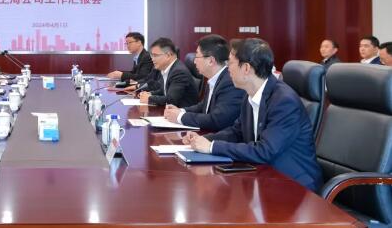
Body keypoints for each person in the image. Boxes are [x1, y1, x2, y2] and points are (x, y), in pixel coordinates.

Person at [183, 38, 322, 192]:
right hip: (264, 176)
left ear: (246, 68)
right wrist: (204, 140)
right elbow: (237, 132)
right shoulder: (250, 94)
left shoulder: (284, 102)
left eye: (230, 63)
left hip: (294, 186)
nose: (227, 69)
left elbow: (265, 150)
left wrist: (212, 147)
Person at [164, 34, 245, 131]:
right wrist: (181, 110)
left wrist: (180, 117)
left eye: (197, 57)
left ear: (211, 61)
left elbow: (217, 120)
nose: (194, 61)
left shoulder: (229, 82)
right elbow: (204, 105)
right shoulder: (215, 78)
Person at [138, 37, 199, 108]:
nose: (152, 59)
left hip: (182, 111)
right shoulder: (167, 68)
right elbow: (164, 90)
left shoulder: (179, 72)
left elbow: (171, 99)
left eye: (155, 55)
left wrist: (149, 98)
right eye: (152, 55)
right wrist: (150, 93)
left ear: (168, 55)